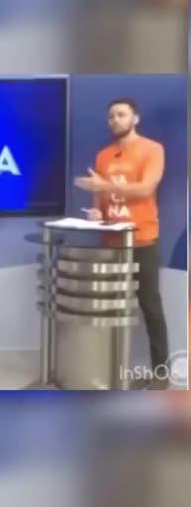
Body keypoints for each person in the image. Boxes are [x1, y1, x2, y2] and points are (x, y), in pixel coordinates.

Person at [74, 98, 169, 389]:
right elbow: (99, 201)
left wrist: (103, 185)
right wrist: (95, 213)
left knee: (150, 305)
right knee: (109, 306)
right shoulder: (103, 155)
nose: (115, 120)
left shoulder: (153, 149)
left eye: (121, 114)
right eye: (111, 116)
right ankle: (108, 369)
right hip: (111, 242)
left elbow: (146, 188)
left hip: (141, 239)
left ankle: (160, 373)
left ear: (135, 118)